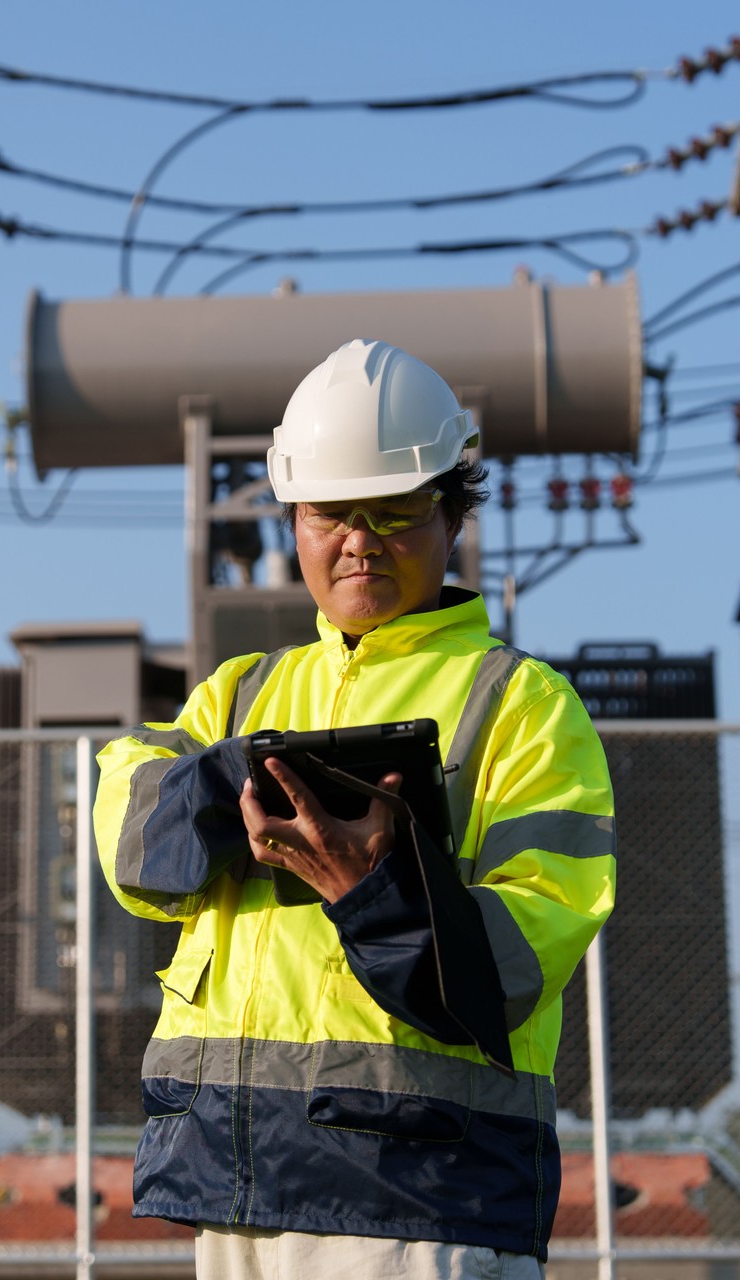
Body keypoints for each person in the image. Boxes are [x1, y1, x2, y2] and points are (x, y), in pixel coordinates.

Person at [93, 338, 616, 1278]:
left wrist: (375, 891)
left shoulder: (522, 705)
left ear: (452, 513)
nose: (359, 540)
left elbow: (523, 953)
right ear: (295, 519)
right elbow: (135, 853)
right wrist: (230, 779)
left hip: (422, 1198)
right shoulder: (238, 696)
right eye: (331, 512)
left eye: (395, 511)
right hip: (235, 1185)